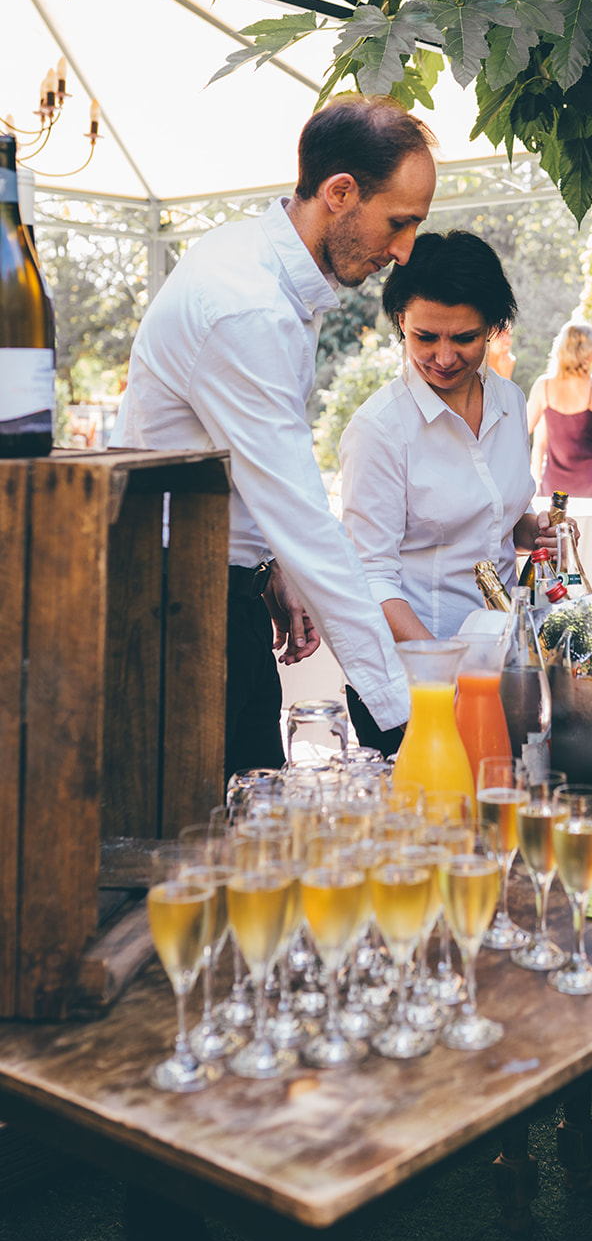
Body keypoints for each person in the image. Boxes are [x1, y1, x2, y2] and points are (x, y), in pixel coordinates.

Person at [111, 95, 436, 777]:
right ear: (340, 192)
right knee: (212, 840)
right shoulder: (246, 305)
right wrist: (406, 712)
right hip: (176, 606)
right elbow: (301, 513)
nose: (404, 252)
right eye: (398, 224)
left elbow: (244, 462)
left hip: (218, 589)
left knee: (248, 807)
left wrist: (271, 569)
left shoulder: (264, 268)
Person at [340, 231, 564, 750]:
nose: (443, 357)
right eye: (425, 337)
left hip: (501, 668)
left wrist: (535, 531)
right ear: (401, 322)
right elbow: (370, 576)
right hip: (415, 685)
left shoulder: (509, 403)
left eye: (463, 338)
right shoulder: (380, 429)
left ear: (492, 329)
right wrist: (443, 670)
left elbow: (495, 513)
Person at [526, 318, 592, 497]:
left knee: (556, 527)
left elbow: (521, 429)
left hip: (555, 489)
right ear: (590, 352)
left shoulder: (543, 386)